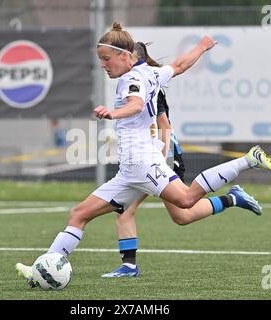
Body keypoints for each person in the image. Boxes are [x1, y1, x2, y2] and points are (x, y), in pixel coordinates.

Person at [15, 22, 271, 288]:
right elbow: (180, 66)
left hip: (144, 163)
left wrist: (113, 113)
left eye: (107, 59)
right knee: (79, 214)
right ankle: (44, 268)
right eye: (100, 59)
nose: (103, 65)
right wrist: (202, 46)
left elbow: (136, 104)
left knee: (185, 202)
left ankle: (247, 160)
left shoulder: (132, 79)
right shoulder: (150, 73)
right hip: (129, 172)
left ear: (125, 56)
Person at [101, 42, 186, 278]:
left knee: (183, 213)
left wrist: (163, 160)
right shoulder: (140, 82)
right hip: (149, 157)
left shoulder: (147, 85)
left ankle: (232, 197)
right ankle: (128, 266)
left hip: (160, 156)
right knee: (128, 210)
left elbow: (164, 127)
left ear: (133, 58)